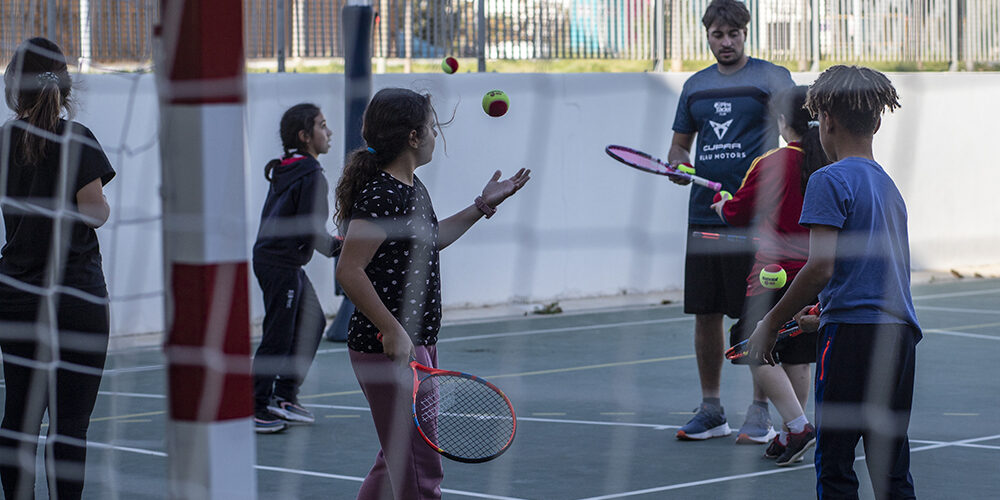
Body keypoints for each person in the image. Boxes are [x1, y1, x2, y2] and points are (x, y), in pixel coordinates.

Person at [335, 88, 529, 500]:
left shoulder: (411, 187)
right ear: (412, 137)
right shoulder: (382, 195)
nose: (436, 136)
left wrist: (482, 205)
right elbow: (349, 270)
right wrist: (392, 331)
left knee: (395, 461)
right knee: (420, 470)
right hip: (387, 345)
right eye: (433, 128)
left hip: (416, 339)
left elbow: (432, 238)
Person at [746, 65, 918, 499]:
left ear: (826, 122)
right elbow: (879, 277)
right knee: (891, 464)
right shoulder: (888, 186)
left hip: (851, 340)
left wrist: (769, 322)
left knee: (835, 463)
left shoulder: (828, 178)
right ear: (877, 121)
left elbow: (821, 267)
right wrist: (824, 315)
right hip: (897, 338)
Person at [667, 0, 795, 441]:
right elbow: (680, 147)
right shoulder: (695, 86)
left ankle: (760, 412)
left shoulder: (771, 77)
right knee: (706, 313)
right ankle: (711, 410)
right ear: (707, 35)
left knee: (758, 314)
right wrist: (678, 166)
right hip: (705, 217)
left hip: (758, 220)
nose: (726, 42)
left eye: (733, 34)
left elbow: (795, 137)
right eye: (717, 35)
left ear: (745, 33)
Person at [0, 37, 115, 500]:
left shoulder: (5, 140)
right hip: (76, 297)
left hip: (17, 295)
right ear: (64, 85)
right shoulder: (77, 138)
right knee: (69, 426)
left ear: (14, 86)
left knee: (19, 417)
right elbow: (94, 212)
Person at [710, 85, 830, 463]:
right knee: (796, 356)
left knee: (749, 345)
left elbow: (738, 214)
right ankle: (791, 430)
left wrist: (722, 206)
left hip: (771, 277)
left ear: (782, 121)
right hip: (816, 276)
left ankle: (797, 426)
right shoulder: (829, 161)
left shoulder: (774, 162)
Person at [251, 103, 342, 433]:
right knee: (278, 335)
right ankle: (255, 405)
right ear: (305, 136)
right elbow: (310, 229)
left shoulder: (291, 167)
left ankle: (285, 395)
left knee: (313, 321)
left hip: (279, 260)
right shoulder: (311, 174)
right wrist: (340, 246)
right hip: (279, 263)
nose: (329, 132)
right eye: (322, 125)